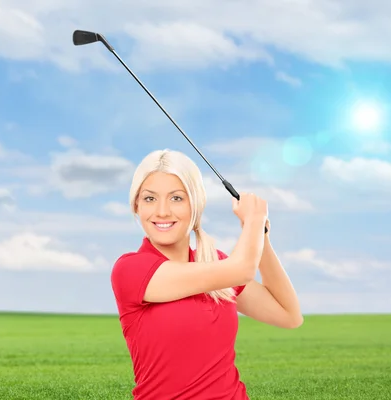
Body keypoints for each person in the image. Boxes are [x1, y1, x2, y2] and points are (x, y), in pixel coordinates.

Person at [110, 149, 303, 400]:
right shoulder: (131, 270)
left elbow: (289, 315)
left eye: (177, 198)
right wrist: (254, 222)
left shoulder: (218, 265)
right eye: (149, 199)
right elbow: (243, 269)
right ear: (136, 205)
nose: (162, 211)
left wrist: (261, 236)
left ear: (196, 203)